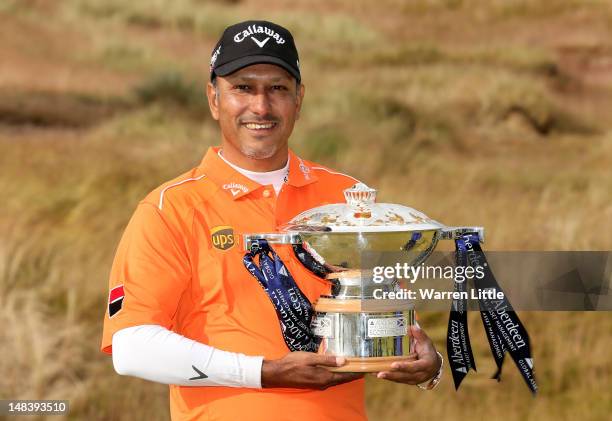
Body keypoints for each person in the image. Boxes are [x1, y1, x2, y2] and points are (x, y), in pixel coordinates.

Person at [101, 20, 442, 421]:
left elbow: (386, 313)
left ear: (299, 99)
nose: (260, 107)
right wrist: (266, 373)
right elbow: (133, 347)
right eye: (243, 88)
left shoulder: (349, 197)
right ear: (214, 99)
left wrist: (426, 364)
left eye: (277, 88)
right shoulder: (170, 208)